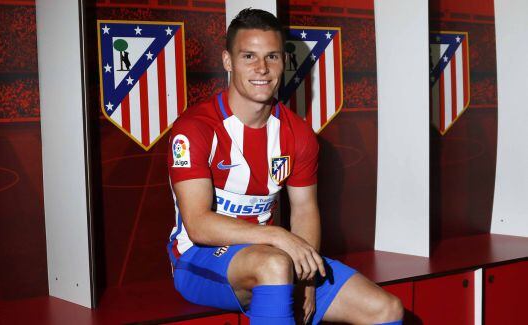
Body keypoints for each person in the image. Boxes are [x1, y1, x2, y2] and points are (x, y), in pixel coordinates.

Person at [166, 8, 404, 325]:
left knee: (385, 309)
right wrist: (279, 238)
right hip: (199, 258)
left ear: (284, 62)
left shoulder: (298, 134)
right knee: (275, 265)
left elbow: (304, 210)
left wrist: (305, 279)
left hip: (272, 256)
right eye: (249, 56)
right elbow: (198, 224)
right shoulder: (195, 129)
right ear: (228, 61)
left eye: (272, 57)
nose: (262, 68)